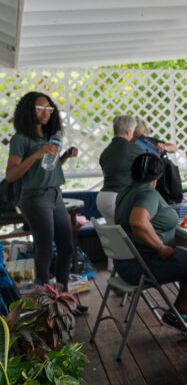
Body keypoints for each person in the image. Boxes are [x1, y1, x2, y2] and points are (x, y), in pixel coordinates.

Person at [114, 153, 187, 337]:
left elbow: (118, 223)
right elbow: (137, 222)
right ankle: (174, 313)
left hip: (124, 264)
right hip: (143, 265)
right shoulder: (147, 193)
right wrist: (160, 247)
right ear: (158, 176)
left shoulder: (125, 191)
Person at [5, 91, 81, 296]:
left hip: (55, 194)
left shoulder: (50, 137)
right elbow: (11, 175)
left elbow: (49, 168)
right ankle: (46, 303)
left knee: (66, 247)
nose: (45, 112)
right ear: (29, 111)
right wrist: (37, 154)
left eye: (48, 108)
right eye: (40, 108)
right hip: (34, 197)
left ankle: (63, 297)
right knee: (45, 247)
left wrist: (65, 155)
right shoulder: (20, 139)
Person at [97, 115, 145, 224]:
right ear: (128, 132)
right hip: (119, 199)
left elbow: (106, 175)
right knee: (129, 235)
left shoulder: (105, 152)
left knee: (115, 236)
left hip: (103, 199)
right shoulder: (136, 149)